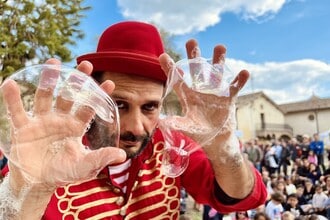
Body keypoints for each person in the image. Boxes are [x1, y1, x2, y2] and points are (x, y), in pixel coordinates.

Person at [0, 21, 267, 219]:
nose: (135, 128)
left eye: (150, 107)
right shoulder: (50, 151)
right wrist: (33, 188)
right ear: (93, 94)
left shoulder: (169, 143)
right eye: (118, 104)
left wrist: (223, 148)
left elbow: (241, 196)